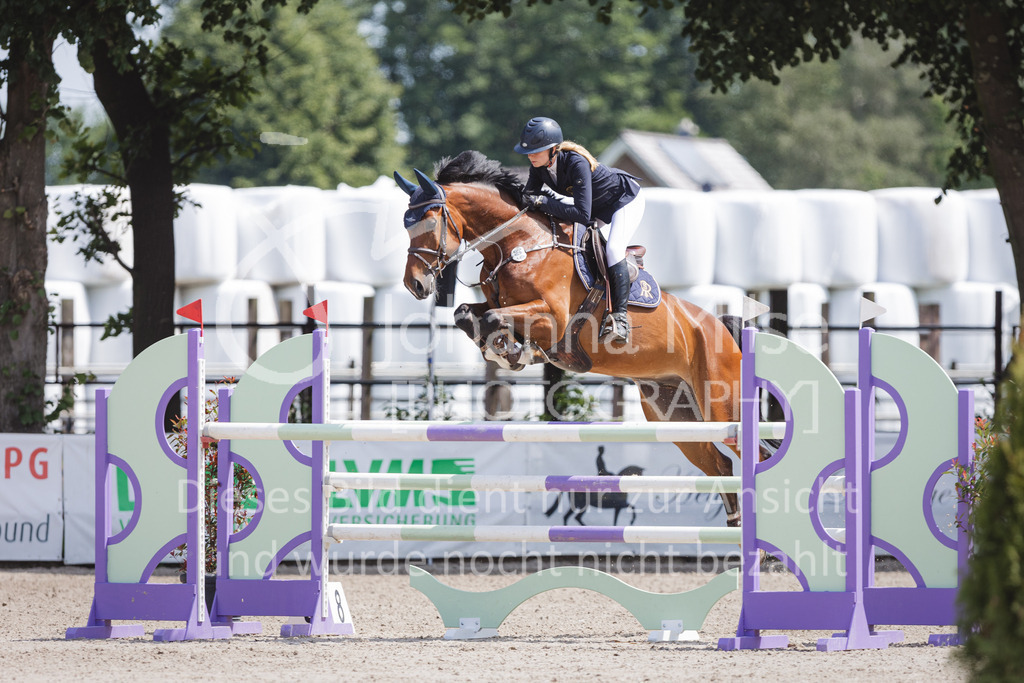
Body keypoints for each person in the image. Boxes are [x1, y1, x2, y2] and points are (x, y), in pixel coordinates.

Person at [513, 116, 646, 345]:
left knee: (614, 249)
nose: (531, 156)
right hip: (596, 206)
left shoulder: (576, 162)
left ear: (554, 150)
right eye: (529, 152)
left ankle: (620, 319)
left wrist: (542, 202)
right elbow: (527, 199)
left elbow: (582, 214)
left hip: (623, 200)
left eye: (536, 151)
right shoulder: (539, 167)